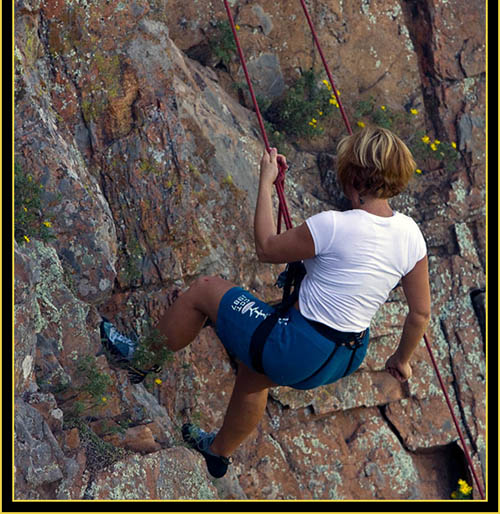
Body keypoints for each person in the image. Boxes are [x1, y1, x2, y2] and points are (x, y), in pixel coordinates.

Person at [102, 125, 431, 478]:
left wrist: (265, 180)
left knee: (203, 290)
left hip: (296, 345)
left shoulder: (335, 226)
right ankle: (217, 453)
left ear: (352, 174)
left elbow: (266, 248)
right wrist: (402, 359)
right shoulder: (410, 235)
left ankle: (138, 360)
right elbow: (420, 313)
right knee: (256, 371)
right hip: (345, 357)